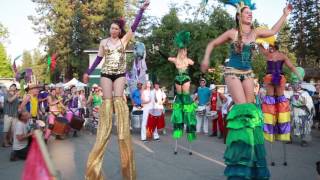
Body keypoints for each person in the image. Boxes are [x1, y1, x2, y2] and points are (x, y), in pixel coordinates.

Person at [201, 1, 292, 178]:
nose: (250, 14)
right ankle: (240, 160)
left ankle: (252, 158)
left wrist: (285, 14)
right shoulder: (232, 33)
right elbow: (212, 44)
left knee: (251, 112)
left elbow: (273, 31)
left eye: (251, 12)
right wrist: (206, 59)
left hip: (248, 73)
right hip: (233, 72)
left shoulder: (256, 32)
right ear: (239, 16)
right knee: (242, 110)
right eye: (247, 12)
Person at [83, 1, 150, 179]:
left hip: (120, 74)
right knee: (106, 103)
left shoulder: (124, 40)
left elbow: (134, 26)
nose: (113, 31)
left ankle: (122, 128)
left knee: (119, 101)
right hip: (106, 74)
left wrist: (141, 10)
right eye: (111, 28)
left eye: (115, 29)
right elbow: (98, 60)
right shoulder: (104, 42)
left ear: (119, 30)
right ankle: (104, 129)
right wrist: (88, 72)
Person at [258, 41, 302, 142]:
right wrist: (299, 76)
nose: (269, 48)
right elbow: (291, 67)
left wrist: (259, 40)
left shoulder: (268, 54)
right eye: (269, 46)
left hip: (271, 77)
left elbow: (259, 46)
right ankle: (280, 128)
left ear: (274, 47)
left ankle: (270, 129)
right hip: (278, 78)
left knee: (270, 101)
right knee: (280, 100)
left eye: (270, 46)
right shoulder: (281, 55)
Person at [167, 31, 197, 144]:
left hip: (185, 78)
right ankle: (178, 126)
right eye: (181, 50)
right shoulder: (176, 60)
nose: (183, 52)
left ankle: (188, 119)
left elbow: (194, 63)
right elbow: (168, 58)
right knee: (179, 98)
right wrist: (159, 50)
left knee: (185, 97)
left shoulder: (187, 60)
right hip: (177, 79)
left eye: (184, 51)